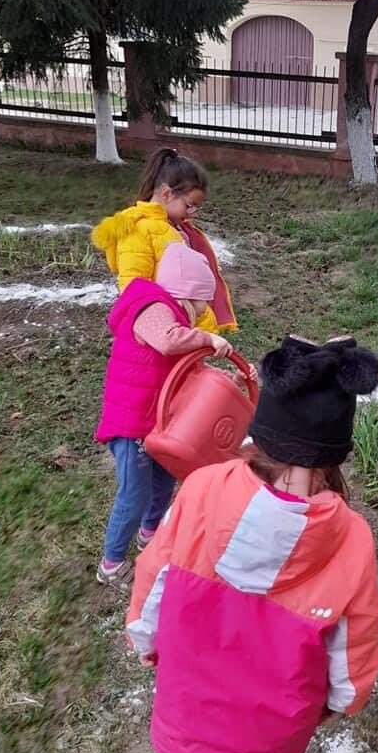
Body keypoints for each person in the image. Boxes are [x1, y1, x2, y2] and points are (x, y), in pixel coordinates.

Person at [126, 335, 378, 753]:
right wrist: (342, 702)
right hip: (274, 739)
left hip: (188, 721)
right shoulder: (351, 539)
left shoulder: (201, 489)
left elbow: (153, 576)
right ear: (334, 455)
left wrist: (144, 637)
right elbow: (356, 643)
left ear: (260, 430)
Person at [95, 242, 235, 585]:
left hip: (157, 423)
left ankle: (150, 534)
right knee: (134, 494)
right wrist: (205, 338)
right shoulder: (152, 307)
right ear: (188, 292)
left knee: (164, 480)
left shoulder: (175, 318)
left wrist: (226, 380)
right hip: (131, 425)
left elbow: (187, 370)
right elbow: (169, 341)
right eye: (202, 301)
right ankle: (112, 563)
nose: (203, 309)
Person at [91, 147, 237, 334]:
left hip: (186, 325)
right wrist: (166, 317)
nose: (192, 213)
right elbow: (133, 286)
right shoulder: (138, 230)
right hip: (164, 329)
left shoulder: (173, 227)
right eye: (189, 205)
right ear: (167, 194)